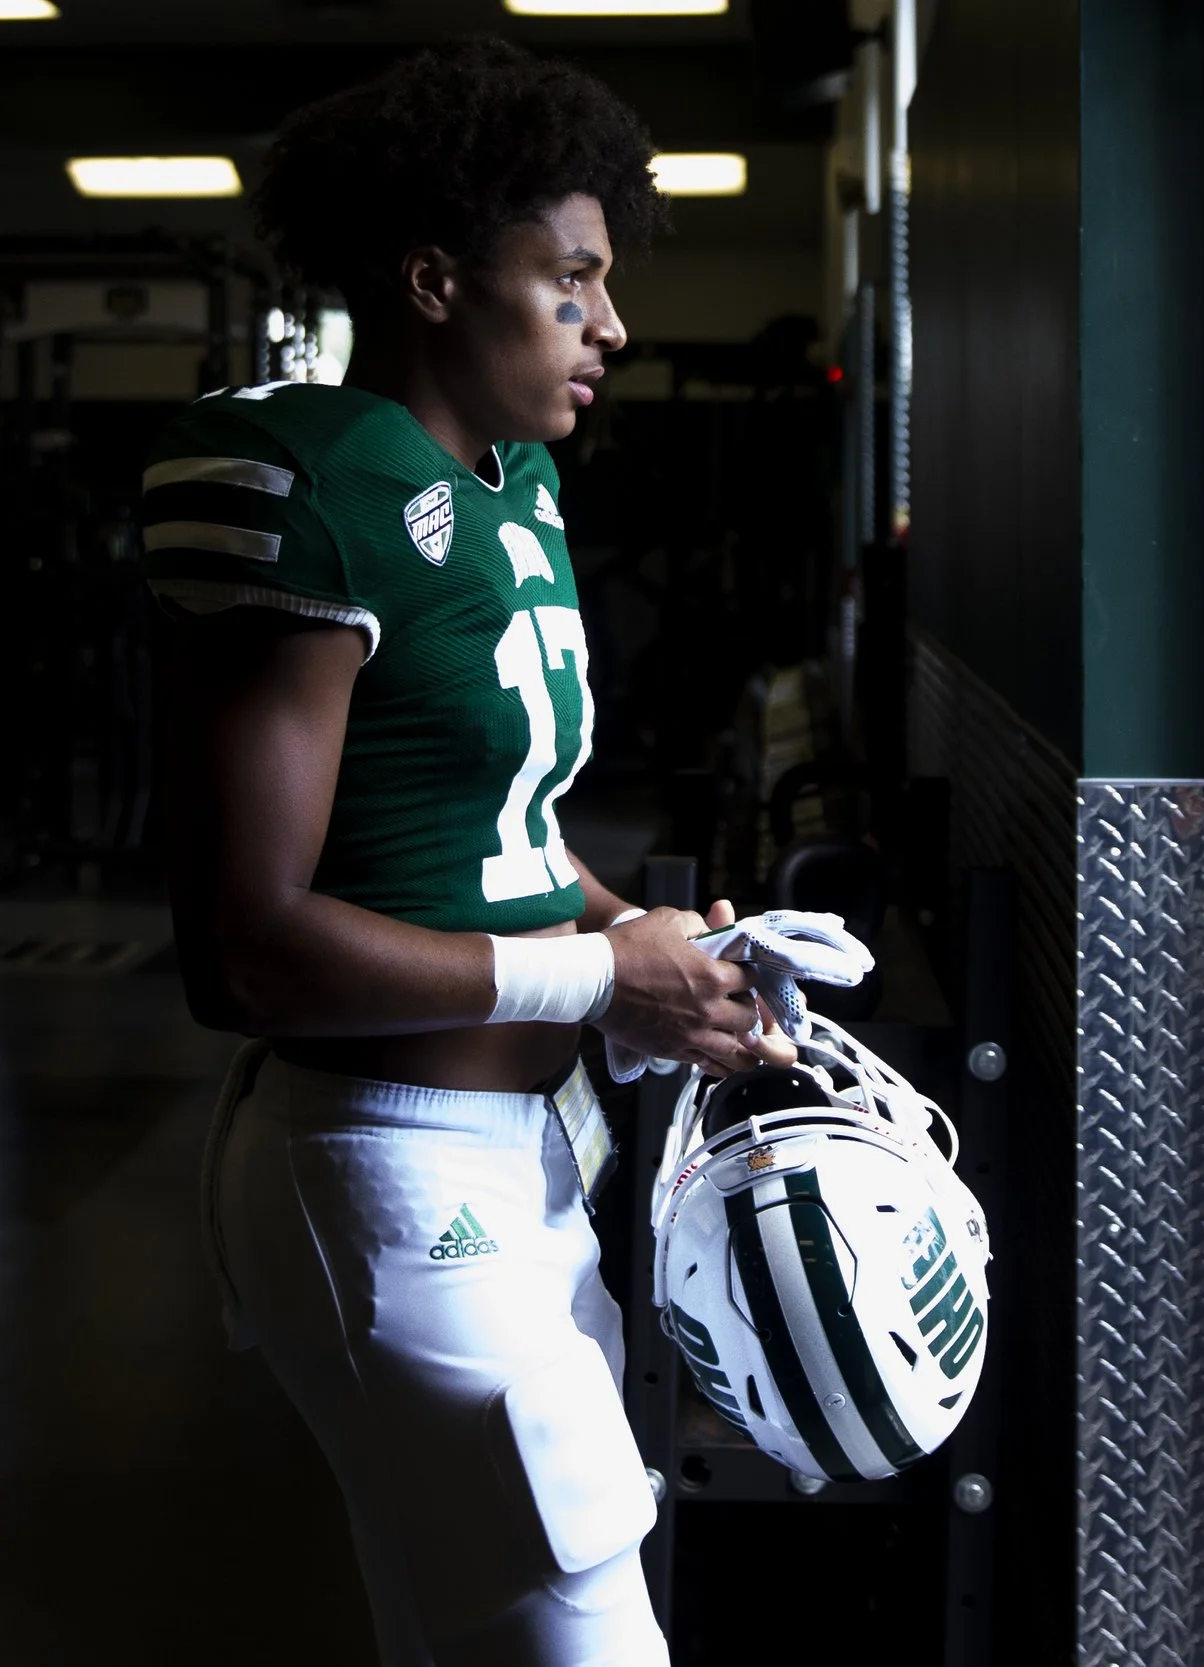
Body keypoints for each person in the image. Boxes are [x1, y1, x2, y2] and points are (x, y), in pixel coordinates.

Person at [141, 38, 794, 1664]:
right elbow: (244, 949)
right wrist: (596, 973)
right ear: (437, 280)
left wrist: (650, 943)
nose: (612, 324)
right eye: (568, 280)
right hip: (386, 1159)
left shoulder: (518, 488)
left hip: (529, 1156)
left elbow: (498, 839)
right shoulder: (311, 480)